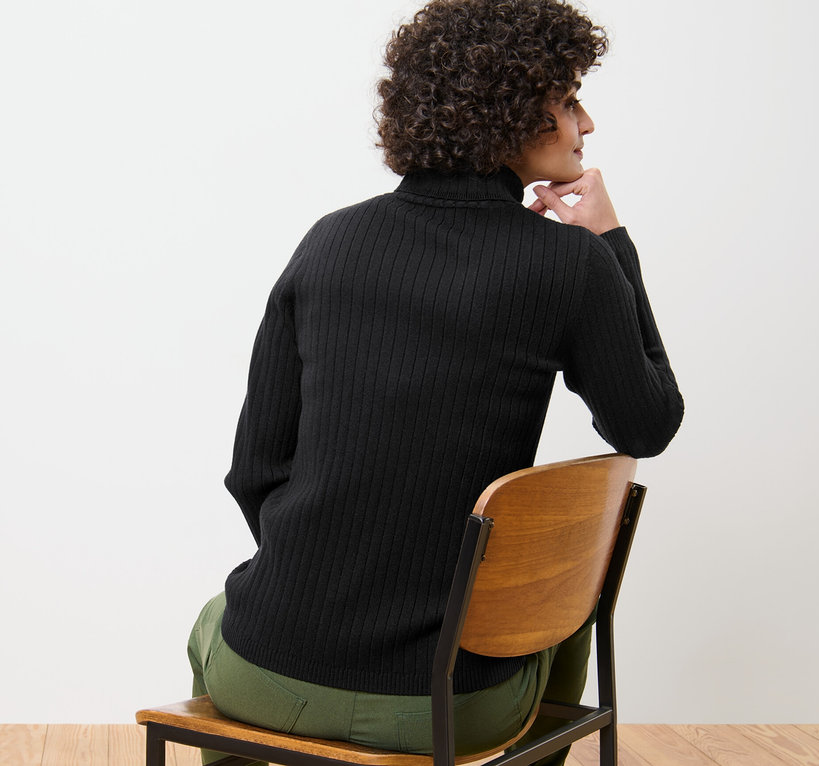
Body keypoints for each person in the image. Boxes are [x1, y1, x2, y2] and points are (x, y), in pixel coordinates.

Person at [187, 0, 684, 764]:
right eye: (571, 100)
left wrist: (338, 601)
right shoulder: (567, 265)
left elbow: (253, 469)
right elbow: (647, 425)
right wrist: (611, 243)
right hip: (453, 706)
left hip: (267, 676)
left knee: (213, 619)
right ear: (517, 110)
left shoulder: (329, 241)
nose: (587, 125)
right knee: (561, 615)